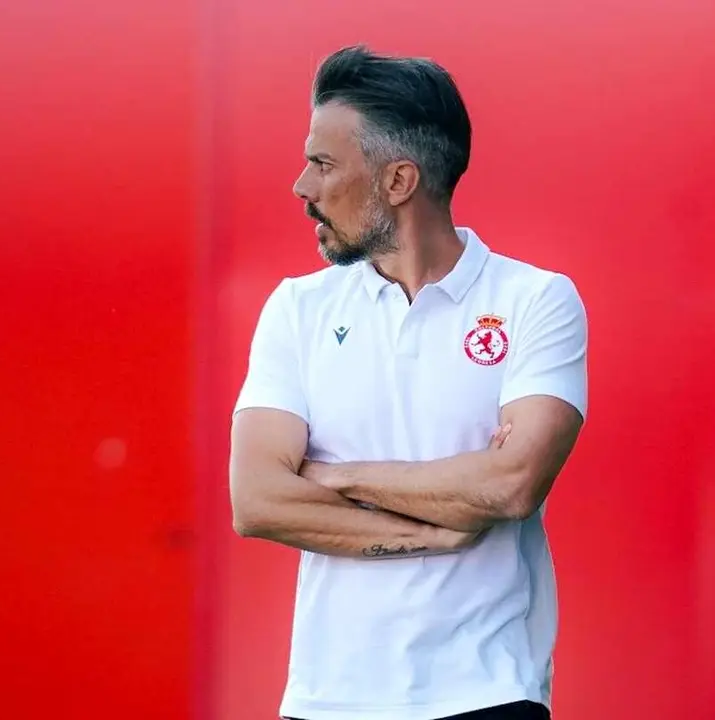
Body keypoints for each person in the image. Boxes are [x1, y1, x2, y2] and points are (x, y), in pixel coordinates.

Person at [228, 44, 588, 720]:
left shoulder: (536, 300)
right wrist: (440, 526)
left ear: (397, 182)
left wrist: (331, 474)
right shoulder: (296, 309)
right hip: (325, 700)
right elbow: (256, 501)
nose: (301, 187)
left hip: (488, 694)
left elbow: (509, 485)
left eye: (323, 164)